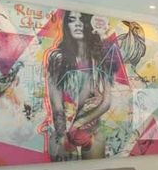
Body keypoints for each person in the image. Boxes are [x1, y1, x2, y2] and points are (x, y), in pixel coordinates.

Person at [43, 11, 112, 160]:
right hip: (64, 130)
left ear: (90, 26)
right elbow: (56, 104)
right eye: (72, 20)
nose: (78, 24)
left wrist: (79, 123)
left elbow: (107, 102)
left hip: (91, 129)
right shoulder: (58, 58)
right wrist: (63, 135)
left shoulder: (100, 58)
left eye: (82, 20)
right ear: (66, 26)